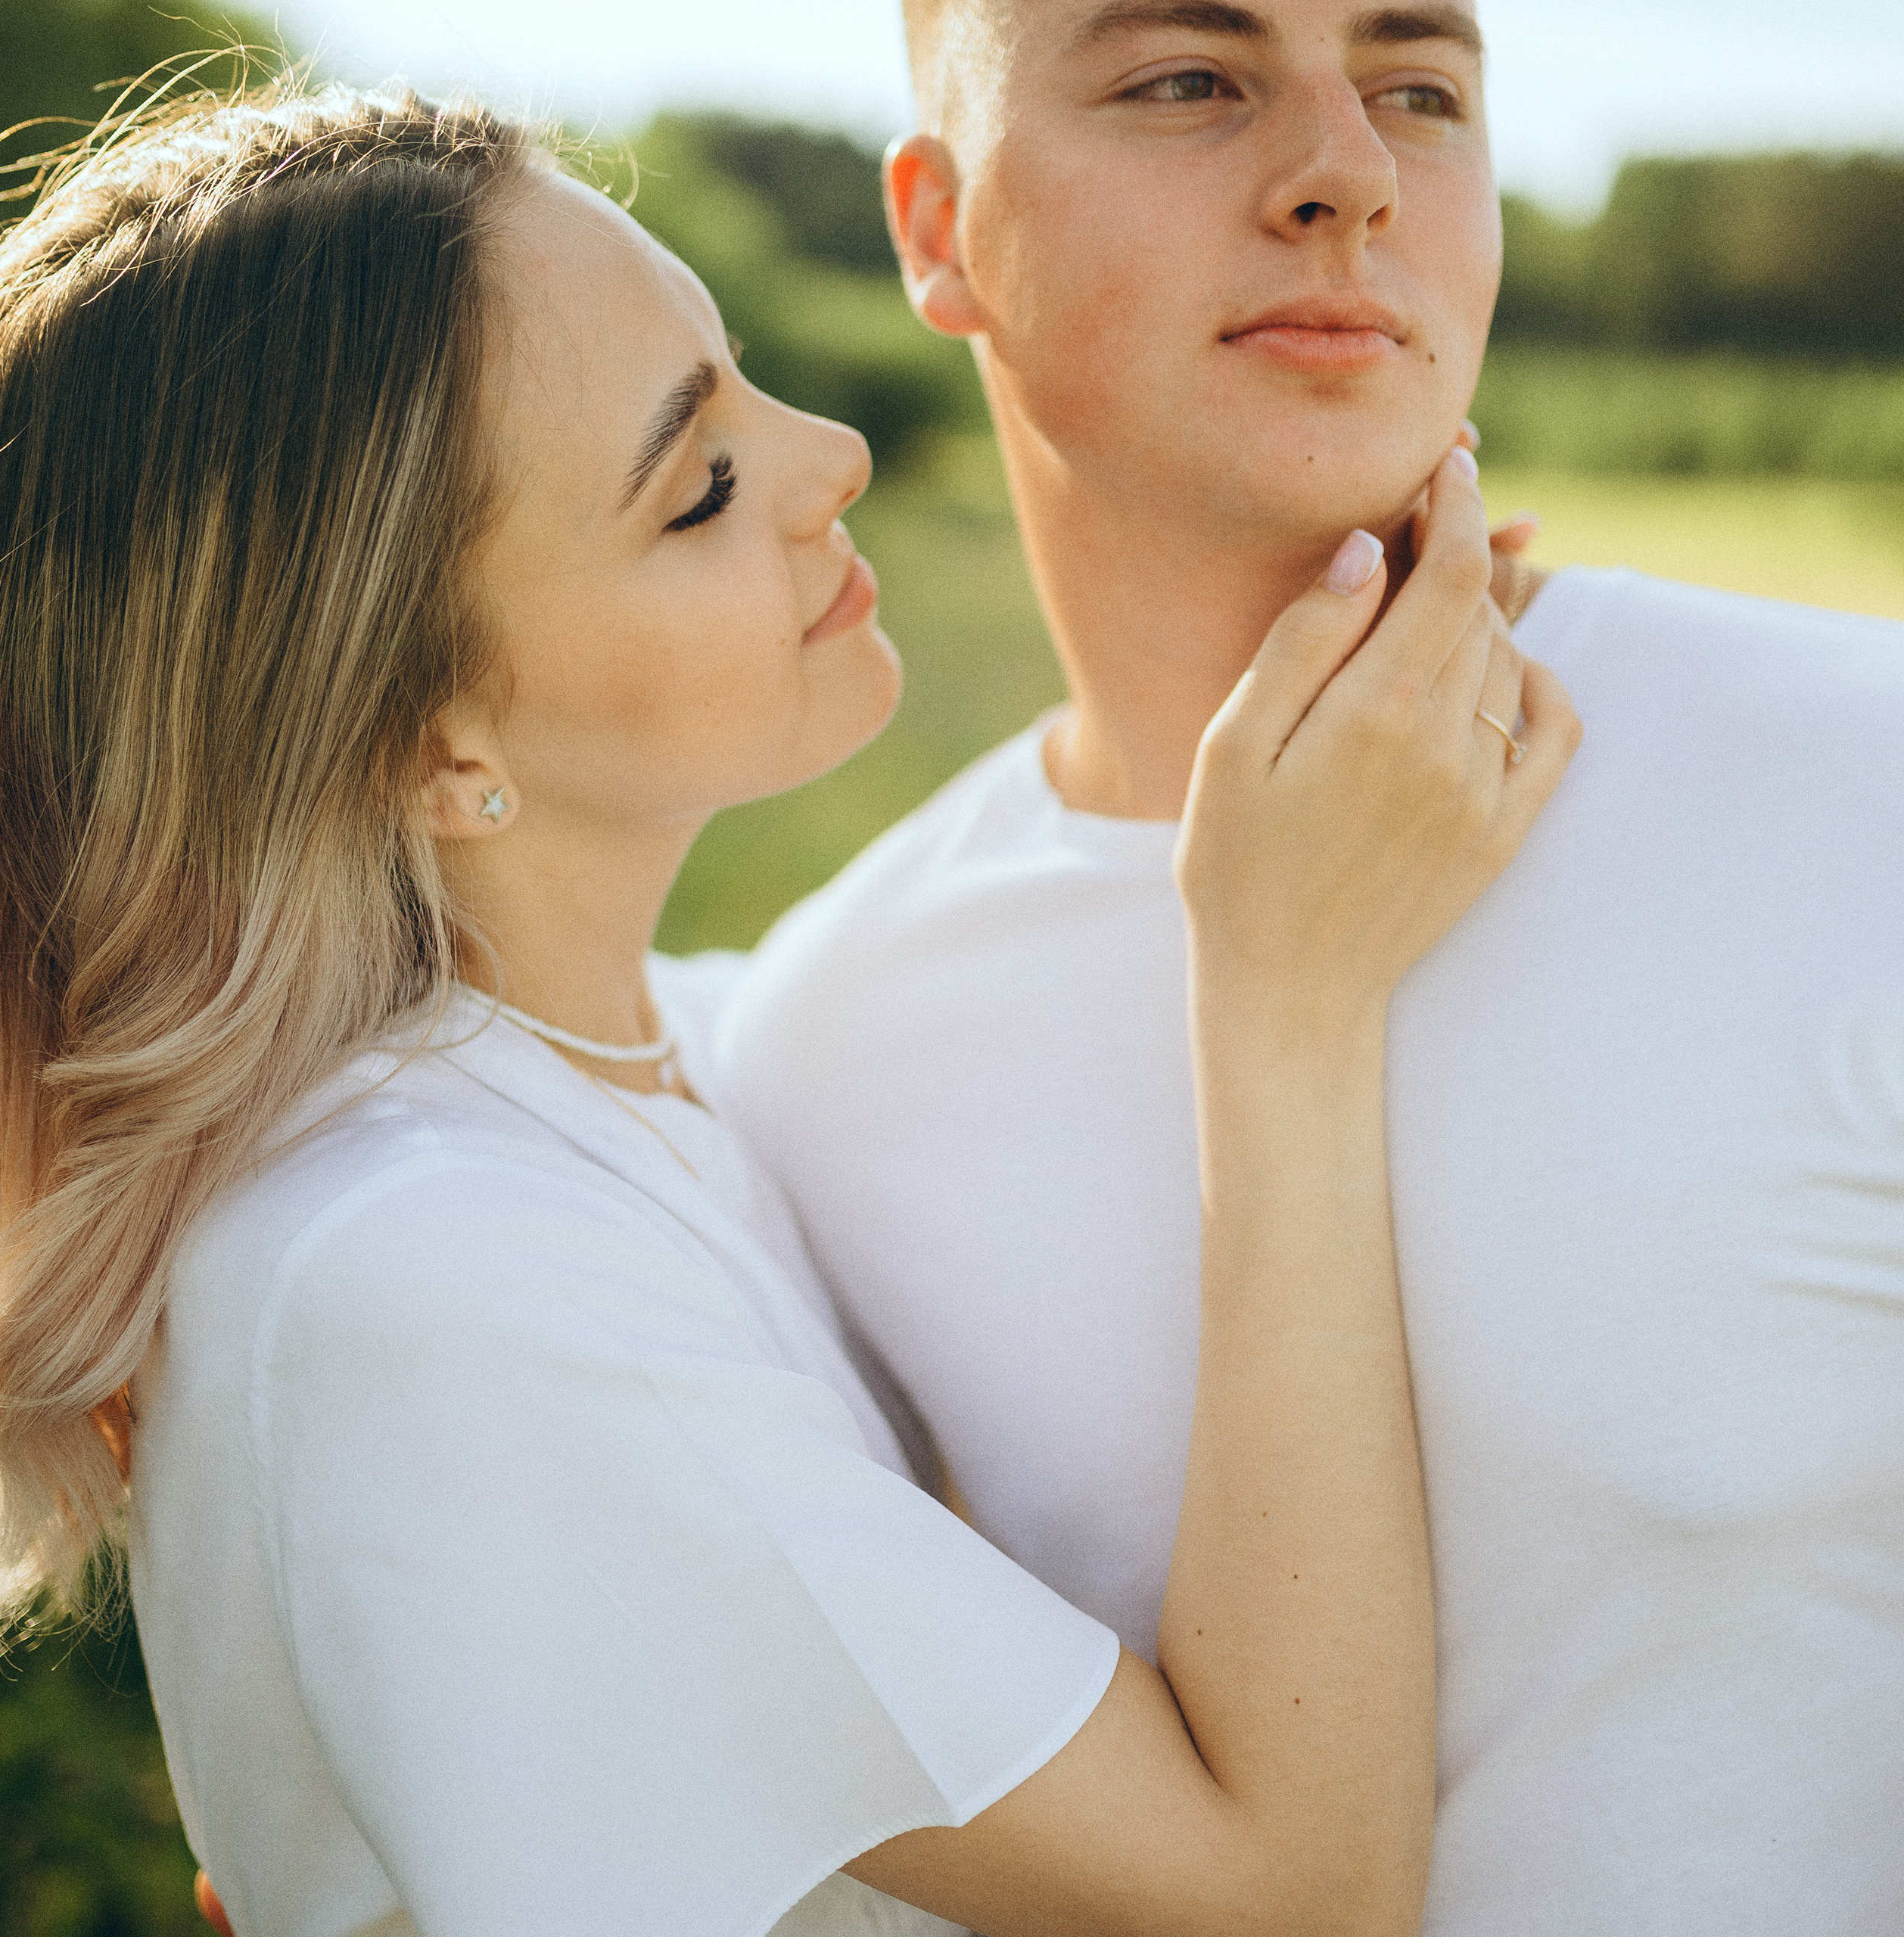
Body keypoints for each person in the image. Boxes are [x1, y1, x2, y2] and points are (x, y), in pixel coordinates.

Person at [0, 81, 1576, 1937]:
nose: (829, 456)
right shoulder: (431, 1273)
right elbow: (1287, 1894)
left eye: (738, 375)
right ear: (428, 740)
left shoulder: (662, 1063)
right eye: (699, 485)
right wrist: (1286, 1002)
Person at [707, 3, 1904, 1932]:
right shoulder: (819, 1058)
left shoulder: (1870, 793)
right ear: (937, 232)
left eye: (1417, 91)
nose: (1346, 172)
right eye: (1187, 77)